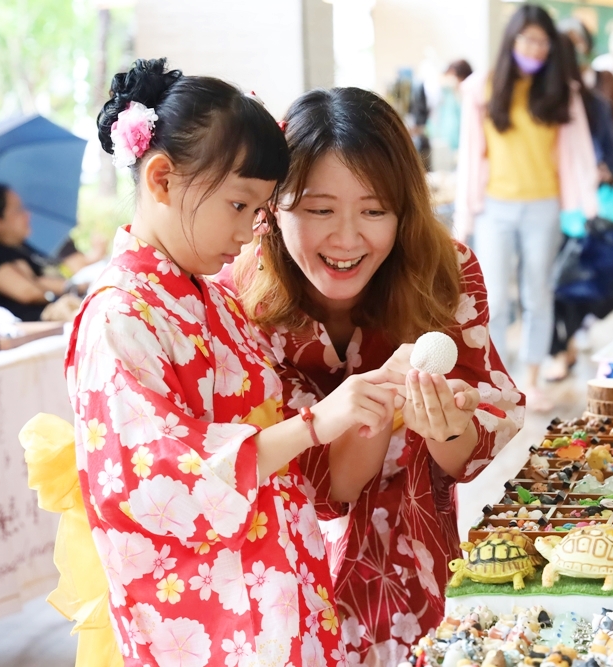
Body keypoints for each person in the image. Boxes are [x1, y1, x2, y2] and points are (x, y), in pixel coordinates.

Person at [43, 58, 408, 667]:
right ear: (161, 178)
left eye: (261, 210)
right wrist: (318, 423)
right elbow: (159, 479)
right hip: (208, 618)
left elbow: (293, 446)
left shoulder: (214, 296)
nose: (250, 233)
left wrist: (362, 410)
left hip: (277, 592)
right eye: (240, 206)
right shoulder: (118, 316)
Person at [225, 87, 525, 667]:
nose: (346, 237)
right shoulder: (237, 298)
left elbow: (467, 451)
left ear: (404, 210)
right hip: (285, 583)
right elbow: (318, 491)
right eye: (318, 209)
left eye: (374, 209)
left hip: (417, 563)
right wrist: (367, 414)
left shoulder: (446, 271)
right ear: (273, 205)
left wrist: (448, 425)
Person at [455, 3, 598, 410]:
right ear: (512, 40)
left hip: (544, 207)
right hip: (495, 208)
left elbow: (578, 153)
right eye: (528, 39)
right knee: (495, 299)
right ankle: (499, 383)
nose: (535, 49)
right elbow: (470, 155)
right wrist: (465, 218)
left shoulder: (560, 92)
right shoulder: (482, 88)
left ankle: (530, 379)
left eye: (542, 41)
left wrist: (583, 206)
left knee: (538, 295)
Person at [547, 32, 613, 382]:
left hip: (580, 209)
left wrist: (601, 170)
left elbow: (611, 152)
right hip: (545, 204)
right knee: (552, 286)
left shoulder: (591, 103)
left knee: (569, 284)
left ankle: (565, 347)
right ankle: (561, 348)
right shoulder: (540, 102)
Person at [0, 185, 103, 320]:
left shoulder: (21, 247)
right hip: (44, 321)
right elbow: (27, 292)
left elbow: (41, 278)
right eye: (18, 210)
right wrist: (65, 290)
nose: (27, 215)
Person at [558, 17, 613, 181]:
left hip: (599, 172)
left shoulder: (605, 80)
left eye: (577, 42)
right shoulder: (553, 86)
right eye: (566, 43)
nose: (572, 49)